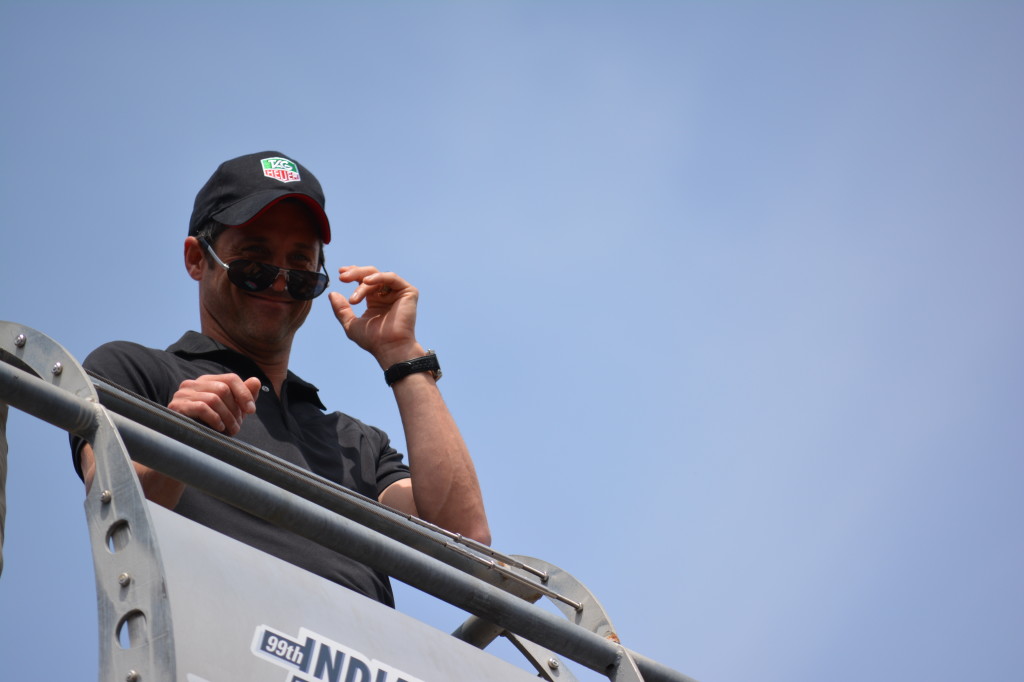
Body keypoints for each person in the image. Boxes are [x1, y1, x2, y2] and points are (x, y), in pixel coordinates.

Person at [71, 151, 489, 606]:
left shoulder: (356, 443)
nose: (278, 281)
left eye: (299, 268)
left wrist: (402, 356)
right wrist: (180, 436)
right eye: (255, 261)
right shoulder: (134, 371)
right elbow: (113, 505)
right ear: (197, 259)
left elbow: (463, 541)